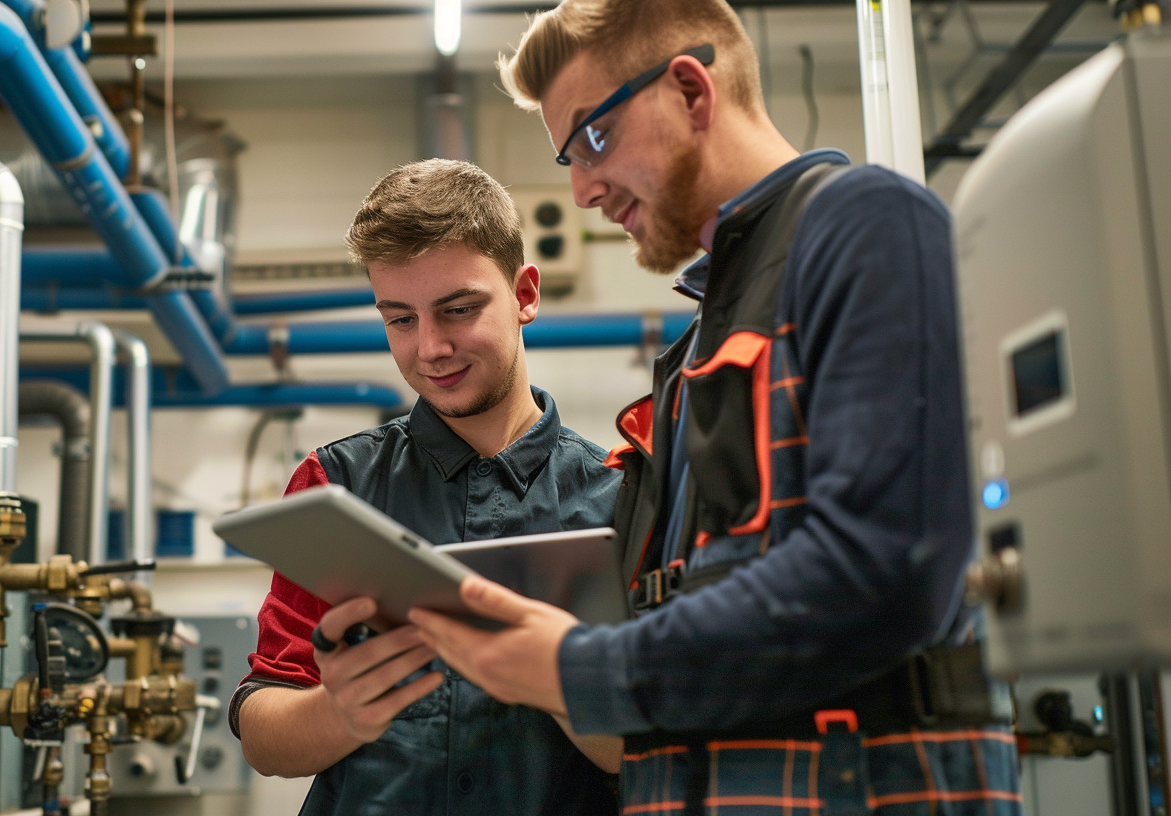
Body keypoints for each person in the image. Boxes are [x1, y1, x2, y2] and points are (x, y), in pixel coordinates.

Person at [409, 2, 1022, 814]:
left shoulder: (866, 228)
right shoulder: (698, 344)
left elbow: (884, 568)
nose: (583, 190)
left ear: (691, 91)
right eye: (569, 157)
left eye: (595, 139)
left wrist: (578, 666)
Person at [228, 158, 623, 816]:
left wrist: (556, 681)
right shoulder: (336, 487)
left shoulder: (620, 495)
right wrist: (339, 714)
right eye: (400, 320)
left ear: (525, 294)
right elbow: (263, 733)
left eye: (458, 310)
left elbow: (655, 749)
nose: (430, 348)